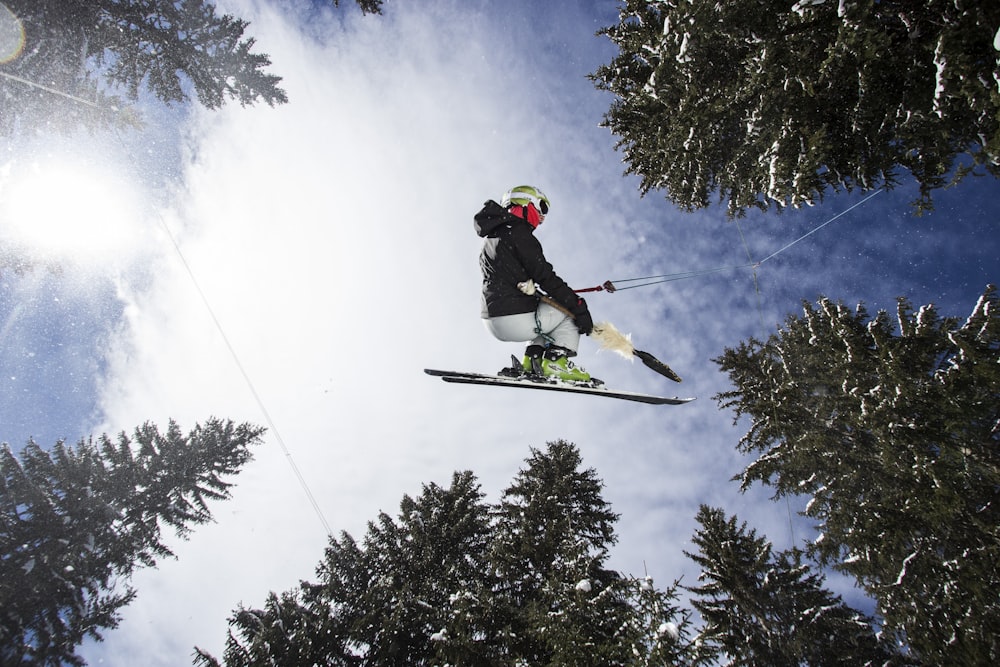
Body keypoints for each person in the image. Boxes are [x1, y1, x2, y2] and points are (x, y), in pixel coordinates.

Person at [475, 185, 596, 383]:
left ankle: (532, 361)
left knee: (547, 311)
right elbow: (546, 277)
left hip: (492, 318)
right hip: (512, 317)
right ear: (525, 202)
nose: (542, 217)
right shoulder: (519, 232)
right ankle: (556, 363)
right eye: (542, 207)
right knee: (568, 311)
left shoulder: (492, 238)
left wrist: (530, 289)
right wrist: (580, 308)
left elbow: (508, 276)